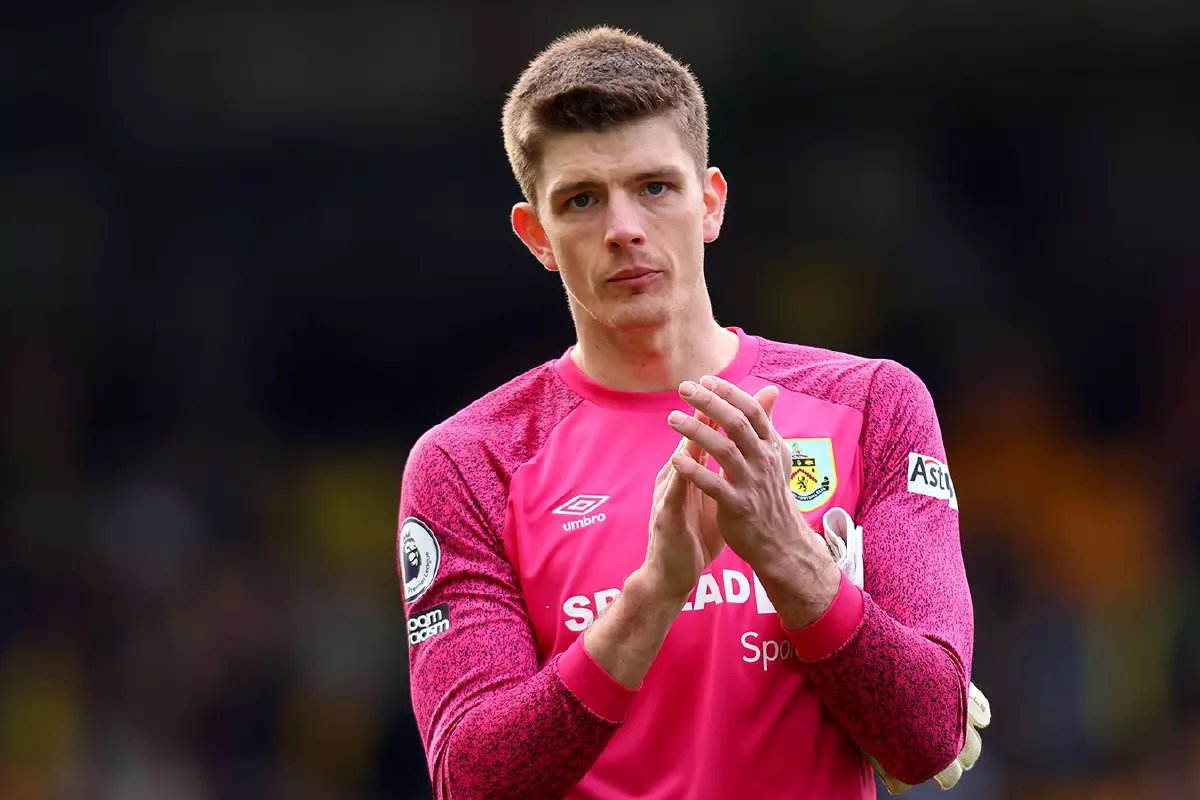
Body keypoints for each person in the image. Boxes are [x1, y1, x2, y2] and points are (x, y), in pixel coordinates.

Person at [397, 26, 976, 800]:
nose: (623, 228)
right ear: (537, 236)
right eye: (581, 200)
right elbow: (473, 779)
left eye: (655, 188)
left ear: (710, 202)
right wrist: (654, 594)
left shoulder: (870, 405)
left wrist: (790, 559)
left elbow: (929, 733)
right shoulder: (472, 462)